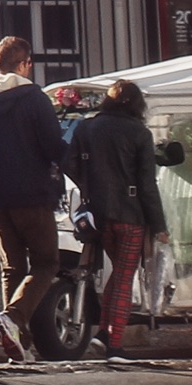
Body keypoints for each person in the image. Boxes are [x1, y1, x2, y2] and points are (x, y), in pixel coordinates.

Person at [0, 35, 66, 363]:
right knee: (47, 261)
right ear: (25, 64)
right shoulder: (34, 98)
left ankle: (20, 345)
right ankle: (14, 319)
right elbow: (54, 148)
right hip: (31, 193)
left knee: (12, 267)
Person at [66, 79, 167, 361]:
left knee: (117, 275)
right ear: (137, 105)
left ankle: (102, 334)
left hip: (96, 215)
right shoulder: (139, 133)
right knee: (124, 276)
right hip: (129, 214)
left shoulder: (86, 127)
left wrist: (88, 185)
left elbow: (68, 162)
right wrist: (159, 226)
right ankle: (115, 345)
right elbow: (147, 185)